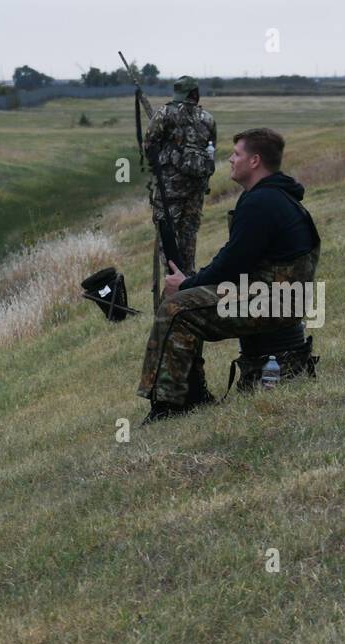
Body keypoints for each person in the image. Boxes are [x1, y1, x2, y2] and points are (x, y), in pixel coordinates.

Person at [138, 127, 321, 423]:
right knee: (185, 301)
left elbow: (231, 265)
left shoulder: (261, 202)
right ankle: (189, 394)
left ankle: (170, 405)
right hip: (282, 298)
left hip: (273, 301)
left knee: (176, 308)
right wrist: (193, 284)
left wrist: (186, 283)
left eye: (236, 154)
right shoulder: (276, 197)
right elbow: (237, 262)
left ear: (255, 161)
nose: (230, 160)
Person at [146, 75, 218, 276]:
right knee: (189, 236)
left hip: (169, 190)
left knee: (167, 235)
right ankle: (188, 278)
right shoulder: (209, 119)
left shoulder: (163, 114)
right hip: (196, 190)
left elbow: (149, 147)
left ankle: (173, 280)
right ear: (195, 94)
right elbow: (211, 151)